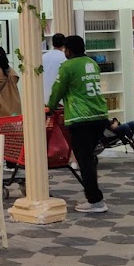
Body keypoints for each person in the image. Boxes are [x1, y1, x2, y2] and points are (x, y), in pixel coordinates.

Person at [48, 35, 110, 213]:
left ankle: (95, 200)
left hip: (80, 118)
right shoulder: (92, 63)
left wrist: (50, 107)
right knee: (89, 159)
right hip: (99, 115)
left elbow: (58, 89)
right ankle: (94, 196)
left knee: (85, 161)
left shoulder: (68, 66)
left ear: (68, 50)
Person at [41, 32, 66, 99]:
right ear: (64, 44)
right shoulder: (65, 58)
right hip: (59, 94)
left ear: (52, 43)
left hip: (45, 92)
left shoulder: (43, 57)